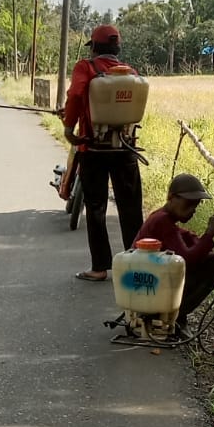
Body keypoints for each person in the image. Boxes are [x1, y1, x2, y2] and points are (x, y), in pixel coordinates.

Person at [63, 23, 144, 282]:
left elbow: (75, 94)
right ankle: (135, 264)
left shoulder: (85, 68)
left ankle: (99, 267)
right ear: (117, 48)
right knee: (131, 207)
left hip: (93, 148)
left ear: (95, 47)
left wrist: (68, 127)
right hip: (125, 148)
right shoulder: (131, 73)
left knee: (96, 207)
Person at [133, 172, 214, 327]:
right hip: (148, 288)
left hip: (148, 285)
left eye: (195, 205)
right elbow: (186, 261)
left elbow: (189, 238)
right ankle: (170, 317)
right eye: (188, 204)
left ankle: (171, 316)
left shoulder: (164, 218)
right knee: (213, 264)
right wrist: (210, 232)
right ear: (172, 197)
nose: (192, 210)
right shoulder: (161, 220)